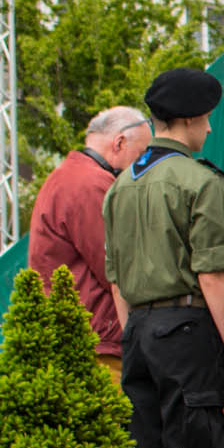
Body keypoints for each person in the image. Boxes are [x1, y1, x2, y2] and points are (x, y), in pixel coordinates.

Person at [102, 68, 224, 448]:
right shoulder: (199, 181)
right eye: (206, 119)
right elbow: (212, 275)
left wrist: (137, 334)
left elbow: (116, 280)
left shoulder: (120, 186)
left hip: (139, 334)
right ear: (189, 120)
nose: (209, 128)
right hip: (188, 336)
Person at [29, 106, 150, 379]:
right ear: (119, 143)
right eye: (141, 154)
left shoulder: (69, 175)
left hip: (80, 335)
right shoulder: (92, 184)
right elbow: (119, 272)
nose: (142, 165)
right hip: (98, 342)